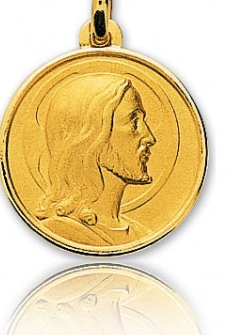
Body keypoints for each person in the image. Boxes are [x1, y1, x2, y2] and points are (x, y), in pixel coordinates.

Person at [36, 73, 156, 245]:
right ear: (92, 137)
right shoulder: (60, 233)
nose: (150, 138)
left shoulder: (142, 234)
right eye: (134, 122)